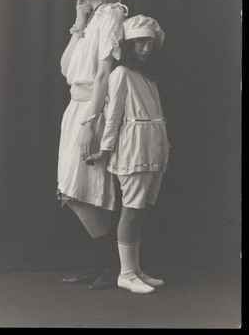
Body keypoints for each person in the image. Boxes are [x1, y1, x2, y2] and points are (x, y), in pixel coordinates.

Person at [57, 0, 128, 289]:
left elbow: (103, 75)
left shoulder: (113, 14)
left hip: (92, 110)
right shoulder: (91, 20)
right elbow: (65, 67)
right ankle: (99, 265)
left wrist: (90, 123)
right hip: (75, 107)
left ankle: (109, 268)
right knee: (78, 190)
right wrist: (78, 22)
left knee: (92, 189)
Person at [86, 15, 170, 293]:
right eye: (138, 44)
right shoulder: (121, 74)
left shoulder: (148, 77)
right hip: (133, 148)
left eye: (148, 43)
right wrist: (105, 148)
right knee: (131, 211)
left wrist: (163, 146)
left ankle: (135, 270)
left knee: (140, 211)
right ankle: (125, 274)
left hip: (153, 147)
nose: (144, 49)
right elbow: (113, 116)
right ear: (128, 45)